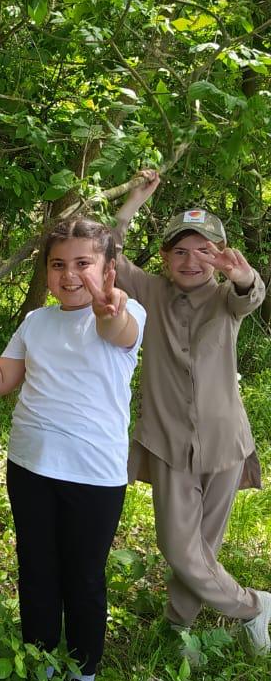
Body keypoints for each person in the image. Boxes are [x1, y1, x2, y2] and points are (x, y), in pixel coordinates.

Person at [0, 219, 146, 681]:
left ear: (108, 269)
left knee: (84, 578)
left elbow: (116, 328)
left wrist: (109, 309)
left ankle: (82, 675)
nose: (69, 274)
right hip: (29, 467)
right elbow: (0, 381)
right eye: (58, 264)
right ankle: (38, 669)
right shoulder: (36, 322)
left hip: (94, 476)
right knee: (37, 571)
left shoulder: (124, 312)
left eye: (83, 263)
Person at [114, 171, 271, 655]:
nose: (190, 261)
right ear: (164, 257)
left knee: (204, 545)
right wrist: (131, 205)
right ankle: (253, 605)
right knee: (177, 544)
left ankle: (177, 627)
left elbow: (251, 294)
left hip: (226, 443)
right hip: (167, 441)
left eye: (204, 251)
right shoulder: (149, 291)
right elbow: (107, 258)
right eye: (180, 251)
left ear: (221, 258)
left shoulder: (226, 298)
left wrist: (243, 276)